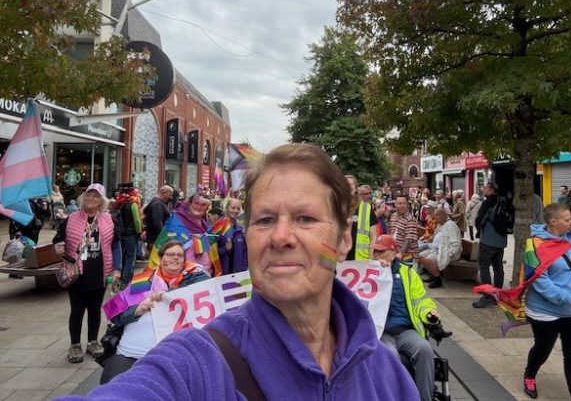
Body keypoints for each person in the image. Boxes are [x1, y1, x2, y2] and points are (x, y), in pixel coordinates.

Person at [56, 143, 419, 400]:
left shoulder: (387, 375)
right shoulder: (198, 362)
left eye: (305, 218)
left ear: (342, 240)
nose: (280, 236)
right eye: (264, 219)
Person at [522, 204, 571, 400]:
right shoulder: (534, 245)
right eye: (567, 220)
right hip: (545, 311)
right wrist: (568, 299)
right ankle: (530, 374)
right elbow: (540, 281)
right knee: (543, 349)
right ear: (553, 221)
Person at [100, 240, 210, 384]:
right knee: (110, 386)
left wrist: (168, 294)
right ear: (160, 258)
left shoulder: (195, 276)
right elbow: (116, 316)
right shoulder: (143, 281)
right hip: (131, 351)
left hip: (174, 352)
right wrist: (137, 310)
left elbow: (206, 293)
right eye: (170, 254)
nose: (175, 258)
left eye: (179, 255)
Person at [374, 234, 451, 401]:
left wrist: (429, 314)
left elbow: (421, 300)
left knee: (424, 349)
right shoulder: (370, 273)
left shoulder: (408, 273)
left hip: (405, 330)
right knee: (391, 356)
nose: (377, 256)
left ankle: (425, 398)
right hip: (382, 332)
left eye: (381, 252)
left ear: (393, 252)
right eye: (375, 252)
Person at [53, 183, 122, 363]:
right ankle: (75, 345)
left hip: (100, 272)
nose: (91, 199)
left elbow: (116, 245)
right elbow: (58, 239)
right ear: (83, 198)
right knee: (77, 310)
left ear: (102, 201)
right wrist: (58, 247)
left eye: (96, 196)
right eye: (88, 195)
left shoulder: (109, 220)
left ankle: (93, 342)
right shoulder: (71, 218)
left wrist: (117, 269)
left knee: (94, 310)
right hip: (76, 272)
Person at [147, 192, 214, 273]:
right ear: (189, 204)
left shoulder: (206, 224)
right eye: (196, 203)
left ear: (207, 208)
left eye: (203, 205)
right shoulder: (176, 222)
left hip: (206, 275)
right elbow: (162, 249)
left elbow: (212, 246)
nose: (199, 207)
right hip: (184, 276)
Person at [472, 182, 507, 308]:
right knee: (498, 267)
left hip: (488, 239)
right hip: (501, 240)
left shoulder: (488, 202)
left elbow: (480, 219)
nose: (483, 189)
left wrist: (478, 228)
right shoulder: (504, 201)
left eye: (486, 188)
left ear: (491, 189)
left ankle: (488, 296)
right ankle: (497, 294)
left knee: (484, 267)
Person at [416, 209, 462, 288]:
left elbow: (456, 243)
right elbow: (435, 236)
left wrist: (449, 253)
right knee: (420, 255)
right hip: (436, 249)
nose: (436, 220)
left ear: (443, 216)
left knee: (430, 259)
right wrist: (431, 239)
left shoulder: (451, 225)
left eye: (437, 218)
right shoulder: (441, 225)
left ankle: (437, 279)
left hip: (447, 252)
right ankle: (433, 274)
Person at [115, 184, 143, 288]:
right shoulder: (133, 204)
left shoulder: (118, 203)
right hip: (131, 234)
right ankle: (126, 282)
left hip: (120, 234)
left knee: (121, 256)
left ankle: (120, 278)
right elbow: (136, 220)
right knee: (130, 258)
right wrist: (139, 231)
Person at [345, 175, 378, 260]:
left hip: (362, 261)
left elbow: (374, 236)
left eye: (350, 184)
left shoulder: (366, 208)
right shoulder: (337, 208)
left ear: (356, 188)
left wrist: (371, 258)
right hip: (340, 260)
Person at [214, 198, 248, 274]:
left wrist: (244, 266)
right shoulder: (218, 227)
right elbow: (212, 252)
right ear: (227, 208)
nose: (235, 211)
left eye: (238, 209)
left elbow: (244, 251)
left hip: (239, 272)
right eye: (233, 208)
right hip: (223, 273)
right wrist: (225, 249)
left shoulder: (240, 229)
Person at [142, 185, 173, 252]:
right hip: (156, 239)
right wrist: (163, 236)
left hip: (155, 238)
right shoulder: (158, 204)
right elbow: (157, 222)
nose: (170, 197)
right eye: (169, 195)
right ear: (164, 193)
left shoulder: (158, 203)